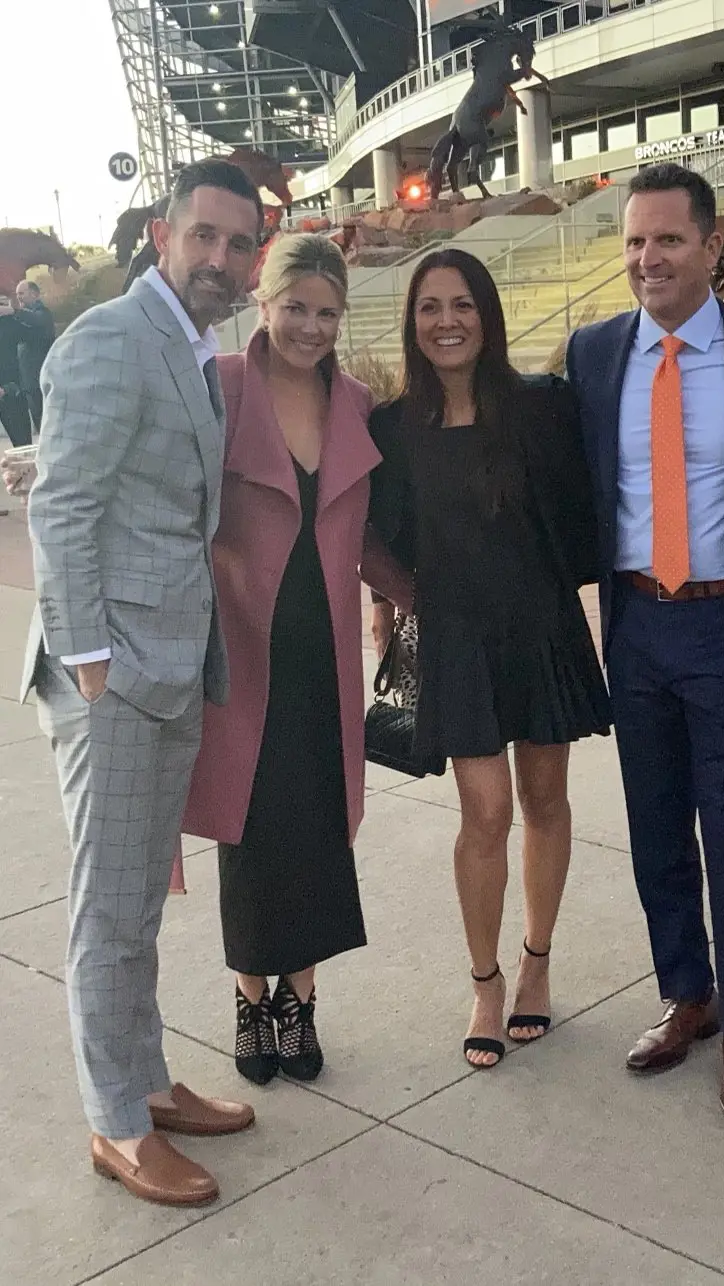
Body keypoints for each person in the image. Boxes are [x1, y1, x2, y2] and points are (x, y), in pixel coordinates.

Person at [19, 158, 265, 1207]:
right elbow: (62, 506)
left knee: (135, 904)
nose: (220, 258)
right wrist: (90, 665)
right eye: (203, 236)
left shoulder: (194, 342)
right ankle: (117, 1122)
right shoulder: (112, 339)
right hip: (114, 672)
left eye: (237, 243)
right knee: (110, 907)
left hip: (161, 661)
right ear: (164, 235)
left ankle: (146, 1076)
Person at [563, 163, 724, 1124]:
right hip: (635, 625)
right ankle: (689, 993)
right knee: (653, 820)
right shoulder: (592, 354)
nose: (648, 259)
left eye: (667, 240)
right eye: (635, 242)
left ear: (712, 248)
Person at [367, 247, 610, 1070]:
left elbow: (587, 505)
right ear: (412, 322)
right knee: (485, 814)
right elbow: (368, 530)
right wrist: (399, 596)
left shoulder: (542, 407)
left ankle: (538, 961)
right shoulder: (393, 428)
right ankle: (486, 980)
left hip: (539, 624)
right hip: (457, 639)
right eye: (430, 306)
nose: (447, 321)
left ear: (488, 314)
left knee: (546, 800)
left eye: (463, 304)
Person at [181, 234, 386, 1086]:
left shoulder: (359, 401)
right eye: (295, 307)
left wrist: (401, 598)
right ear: (261, 304)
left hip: (324, 651)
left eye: (326, 312)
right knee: (250, 829)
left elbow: (371, 527)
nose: (310, 326)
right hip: (240, 648)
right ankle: (250, 996)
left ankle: (299, 1002)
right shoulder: (220, 387)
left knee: (318, 827)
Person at [14, 280, 56, 431]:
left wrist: (14, 312)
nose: (18, 297)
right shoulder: (23, 319)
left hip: (42, 379)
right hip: (29, 383)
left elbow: (36, 320)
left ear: (34, 294)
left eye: (21, 293)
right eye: (17, 294)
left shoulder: (43, 314)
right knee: (39, 425)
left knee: (48, 425)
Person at [0, 294, 30, 448]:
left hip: (11, 389)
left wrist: (14, 311)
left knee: (23, 445)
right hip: (10, 389)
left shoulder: (8, 323)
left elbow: (36, 334)